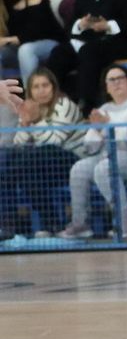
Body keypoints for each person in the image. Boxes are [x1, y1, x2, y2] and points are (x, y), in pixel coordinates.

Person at [58, 63, 127, 240]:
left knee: (104, 168)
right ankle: (80, 224)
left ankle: (125, 224)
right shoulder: (104, 110)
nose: (116, 83)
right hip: (112, 158)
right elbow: (90, 147)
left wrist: (107, 128)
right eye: (112, 80)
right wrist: (97, 130)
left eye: (120, 78)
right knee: (79, 168)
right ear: (107, 87)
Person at [0, 67, 86, 241]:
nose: (41, 91)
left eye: (45, 85)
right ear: (30, 90)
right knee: (16, 164)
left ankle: (39, 222)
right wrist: (24, 122)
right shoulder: (29, 108)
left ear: (54, 87)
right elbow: (18, 143)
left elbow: (55, 141)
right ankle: (49, 224)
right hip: (41, 165)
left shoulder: (64, 105)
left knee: (31, 158)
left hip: (72, 160)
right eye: (36, 87)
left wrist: (36, 121)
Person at [0, 0, 66, 81]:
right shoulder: (2, 6)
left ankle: (31, 97)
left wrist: (8, 40)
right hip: (17, 48)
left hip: (50, 44)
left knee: (26, 49)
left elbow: (36, 32)